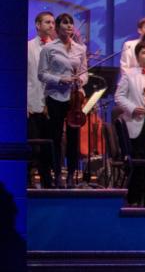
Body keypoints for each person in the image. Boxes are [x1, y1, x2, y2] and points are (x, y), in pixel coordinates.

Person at [37, 13, 88, 188]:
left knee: (74, 137)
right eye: (65, 23)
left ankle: (72, 175)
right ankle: (57, 173)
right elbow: (41, 74)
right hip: (55, 96)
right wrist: (60, 79)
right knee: (56, 137)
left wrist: (80, 80)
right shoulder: (49, 48)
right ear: (57, 28)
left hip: (74, 97)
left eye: (71, 23)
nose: (69, 26)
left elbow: (84, 72)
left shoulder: (80, 49)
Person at [114, 41, 145, 206]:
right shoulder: (129, 74)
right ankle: (135, 197)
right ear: (137, 56)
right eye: (144, 53)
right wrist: (133, 108)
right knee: (139, 161)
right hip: (136, 122)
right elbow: (119, 97)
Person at [27, 11, 55, 188]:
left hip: (51, 104)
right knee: (32, 146)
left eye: (53, 23)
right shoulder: (27, 47)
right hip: (32, 102)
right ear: (38, 25)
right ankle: (27, 181)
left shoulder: (57, 48)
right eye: (47, 22)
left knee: (49, 147)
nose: (51, 26)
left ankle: (47, 182)